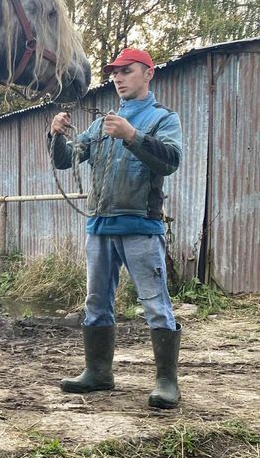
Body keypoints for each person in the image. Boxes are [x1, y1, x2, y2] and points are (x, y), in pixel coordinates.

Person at [49, 47, 183, 409]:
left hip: (140, 225)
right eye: (114, 73)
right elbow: (66, 161)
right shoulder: (100, 124)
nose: (118, 78)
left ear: (148, 73)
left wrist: (131, 135)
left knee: (155, 303)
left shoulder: (162, 119)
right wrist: (56, 135)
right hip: (99, 225)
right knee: (96, 301)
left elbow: (170, 161)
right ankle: (98, 373)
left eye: (127, 71)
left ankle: (167, 383)